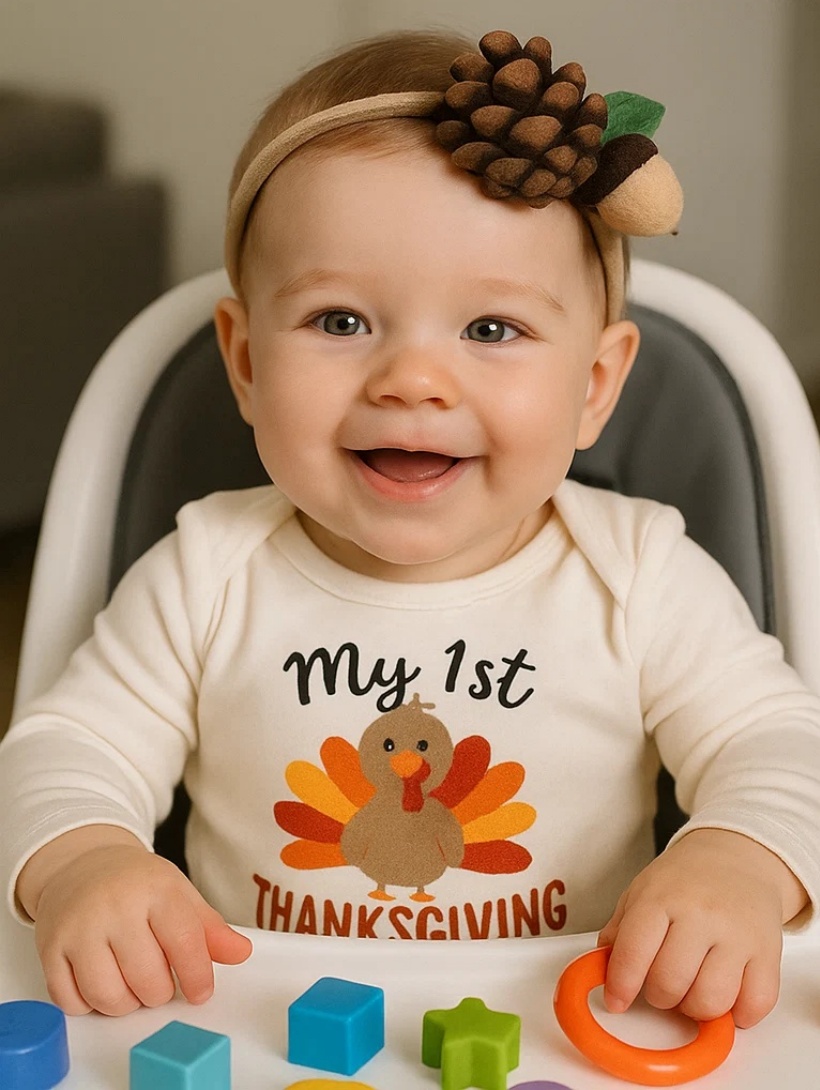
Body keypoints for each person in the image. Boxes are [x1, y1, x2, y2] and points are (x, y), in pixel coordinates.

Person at [2, 28, 819, 1031]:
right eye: (341, 321)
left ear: (595, 385)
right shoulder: (206, 572)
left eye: (491, 329)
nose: (413, 380)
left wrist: (740, 857)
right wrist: (86, 859)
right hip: (264, 1025)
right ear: (246, 363)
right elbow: (68, 746)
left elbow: (777, 743)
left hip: (559, 1028)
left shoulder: (639, 573)